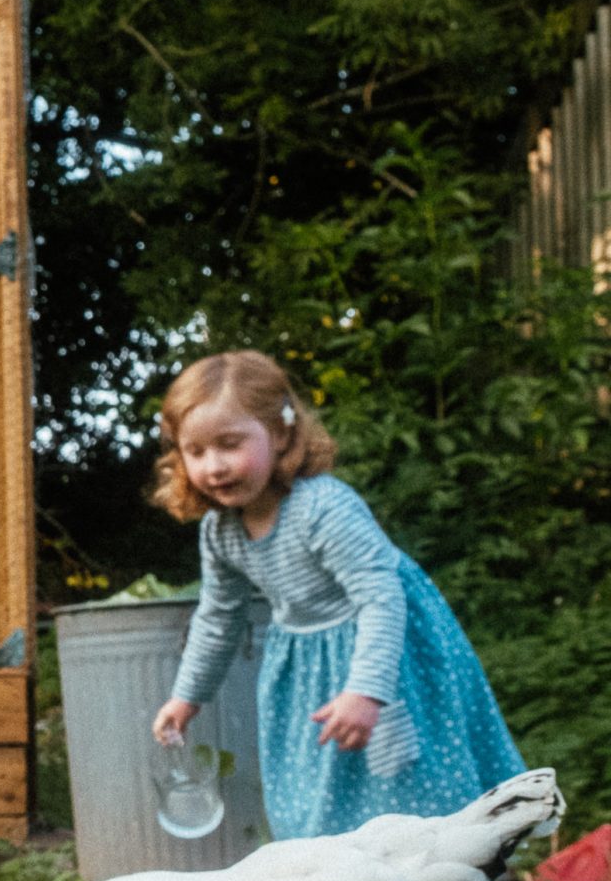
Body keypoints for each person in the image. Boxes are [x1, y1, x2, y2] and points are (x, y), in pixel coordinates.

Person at [150, 349, 523, 839]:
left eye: (229, 444)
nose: (214, 466)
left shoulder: (322, 507)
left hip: (383, 653)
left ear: (281, 435)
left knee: (404, 785)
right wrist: (187, 695)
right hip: (304, 669)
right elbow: (219, 617)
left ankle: (447, 871)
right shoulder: (220, 530)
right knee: (314, 790)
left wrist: (367, 690)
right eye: (195, 452)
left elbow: (381, 598)